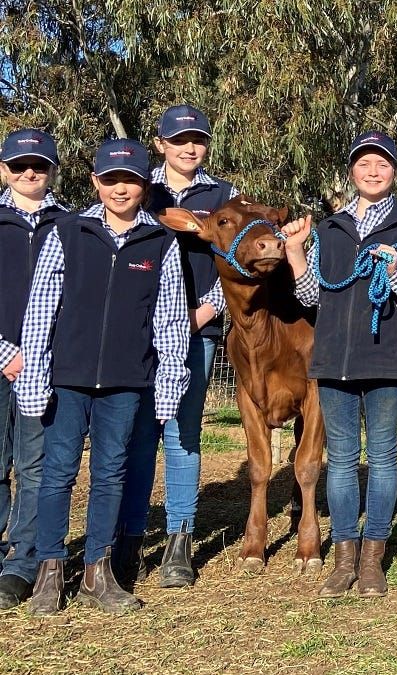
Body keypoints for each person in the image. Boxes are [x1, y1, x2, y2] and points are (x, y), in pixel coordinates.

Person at [16, 139, 189, 615]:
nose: (120, 188)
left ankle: (98, 571)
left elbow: (170, 319)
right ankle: (50, 571)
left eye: (130, 180)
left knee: (110, 473)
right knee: (57, 473)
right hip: (67, 378)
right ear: (95, 182)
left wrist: (168, 382)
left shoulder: (160, 242)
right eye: (110, 179)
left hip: (127, 381)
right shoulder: (69, 232)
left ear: (145, 185)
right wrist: (35, 376)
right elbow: (41, 308)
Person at [280, 131, 397, 598]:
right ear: (351, 171)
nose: (373, 171)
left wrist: (393, 271)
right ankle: (344, 558)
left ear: (394, 173)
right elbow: (311, 297)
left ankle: (373, 560)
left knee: (384, 457)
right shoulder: (328, 230)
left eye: (383, 164)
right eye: (365, 163)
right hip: (333, 361)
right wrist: (293, 253)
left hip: (387, 360)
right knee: (343, 460)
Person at [115, 105, 241, 588]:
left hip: (196, 328)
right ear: (161, 143)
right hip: (137, 329)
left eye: (198, 140)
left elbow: (235, 261)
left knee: (185, 432)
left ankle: (179, 540)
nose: (190, 148)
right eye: (179, 140)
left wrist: (205, 312)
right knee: (137, 430)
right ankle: (128, 536)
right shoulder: (137, 188)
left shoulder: (223, 195)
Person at [0, 129, 69, 609]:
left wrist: (37, 354)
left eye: (40, 166)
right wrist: (7, 353)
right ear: (4, 170)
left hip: (44, 365)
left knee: (34, 464)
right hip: (3, 357)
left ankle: (21, 563)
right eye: (21, 166)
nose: (30, 174)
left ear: (52, 172)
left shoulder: (71, 225)